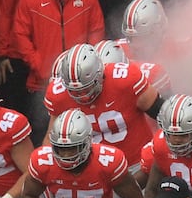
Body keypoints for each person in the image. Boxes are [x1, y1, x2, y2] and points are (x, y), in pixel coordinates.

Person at [13, 0, 105, 145]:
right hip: (42, 85)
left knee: (84, 136)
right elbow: (20, 35)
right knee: (44, 137)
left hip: (81, 85)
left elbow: (97, 31)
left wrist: (87, 67)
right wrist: (39, 66)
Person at [43, 43, 163, 174]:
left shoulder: (126, 79)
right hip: (92, 172)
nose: (82, 96)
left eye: (87, 87)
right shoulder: (58, 95)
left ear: (100, 74)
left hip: (135, 164)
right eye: (75, 91)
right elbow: (52, 137)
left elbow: (162, 114)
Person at [0, 0, 44, 113]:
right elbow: (4, 12)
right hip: (17, 55)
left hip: (48, 53)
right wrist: (1, 53)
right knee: (17, 109)